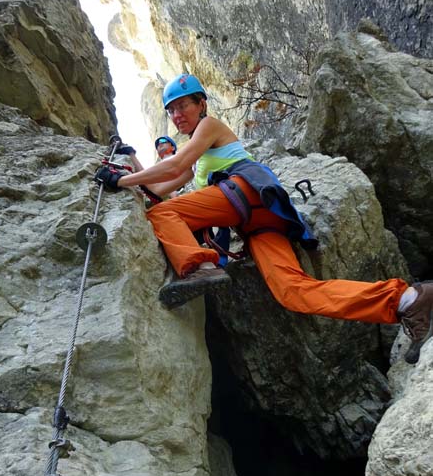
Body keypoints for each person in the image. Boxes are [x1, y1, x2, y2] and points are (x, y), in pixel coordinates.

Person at [95, 73, 433, 365]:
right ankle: (407, 299)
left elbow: (171, 172)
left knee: (162, 215)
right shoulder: (198, 164)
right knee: (294, 293)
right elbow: (160, 187)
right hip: (257, 221)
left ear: (201, 104)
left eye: (182, 105)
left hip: (244, 192)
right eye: (170, 110)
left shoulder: (210, 128)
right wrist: (131, 163)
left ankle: (201, 268)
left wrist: (119, 180)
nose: (176, 114)